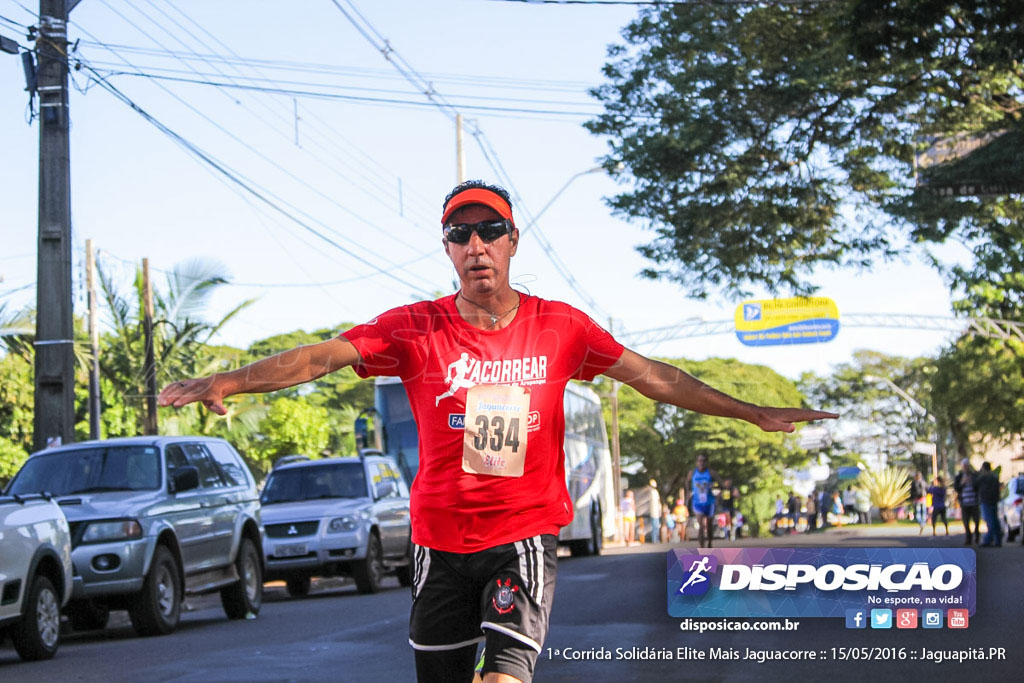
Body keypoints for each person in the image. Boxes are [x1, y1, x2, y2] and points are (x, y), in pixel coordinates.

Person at [158, 180, 836, 683]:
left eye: (489, 229)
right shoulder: (413, 328)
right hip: (438, 541)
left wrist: (753, 412)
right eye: (461, 233)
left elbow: (654, 376)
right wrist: (229, 380)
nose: (476, 244)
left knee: (504, 676)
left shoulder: (560, 327)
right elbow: (317, 356)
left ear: (513, 241)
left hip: (522, 535)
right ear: (448, 249)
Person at [686, 454, 722, 548]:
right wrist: (689, 492)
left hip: (709, 503)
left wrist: (714, 487)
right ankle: (702, 548)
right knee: (701, 526)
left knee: (709, 526)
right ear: (696, 462)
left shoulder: (711, 473)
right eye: (699, 461)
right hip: (697, 503)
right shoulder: (692, 473)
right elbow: (687, 482)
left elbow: (721, 485)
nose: (701, 463)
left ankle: (710, 543)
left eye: (703, 461)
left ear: (707, 462)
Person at [954, 459, 981, 545]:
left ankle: (977, 535)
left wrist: (972, 482)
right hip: (964, 503)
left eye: (967, 466)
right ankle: (968, 538)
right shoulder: (959, 476)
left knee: (976, 521)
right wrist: (962, 483)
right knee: (966, 522)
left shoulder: (974, 475)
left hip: (974, 502)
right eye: (964, 466)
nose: (966, 468)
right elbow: (956, 488)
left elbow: (978, 486)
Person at [976, 462, 1002, 548]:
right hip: (993, 500)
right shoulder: (994, 476)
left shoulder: (983, 477)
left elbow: (975, 484)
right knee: (994, 520)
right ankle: (998, 539)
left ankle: (988, 539)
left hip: (986, 500)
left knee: (989, 520)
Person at [910, 471, 927, 535]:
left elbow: (927, 489)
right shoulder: (917, 483)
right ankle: (922, 524)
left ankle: (922, 524)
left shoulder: (920, 482)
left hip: (921, 500)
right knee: (919, 514)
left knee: (921, 513)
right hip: (919, 500)